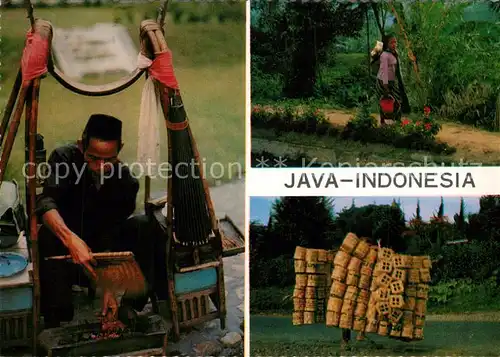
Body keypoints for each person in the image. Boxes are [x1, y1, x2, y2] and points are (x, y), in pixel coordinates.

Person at [36, 114, 167, 328]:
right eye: (93, 158)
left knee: (145, 225)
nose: (100, 166)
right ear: (81, 145)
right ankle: (56, 317)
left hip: (100, 248)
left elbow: (111, 234)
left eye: (109, 160)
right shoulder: (64, 159)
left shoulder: (126, 182)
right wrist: (71, 240)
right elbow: (45, 203)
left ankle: (130, 306)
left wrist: (109, 287)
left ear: (120, 149)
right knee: (47, 235)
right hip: (66, 247)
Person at [373, 34, 410, 125]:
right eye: (391, 42)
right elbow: (384, 70)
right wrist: (385, 87)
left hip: (392, 81)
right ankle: (383, 121)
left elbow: (396, 69)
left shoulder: (394, 53)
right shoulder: (385, 55)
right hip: (383, 81)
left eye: (395, 42)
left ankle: (397, 119)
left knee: (397, 100)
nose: (394, 44)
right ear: (387, 44)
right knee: (384, 100)